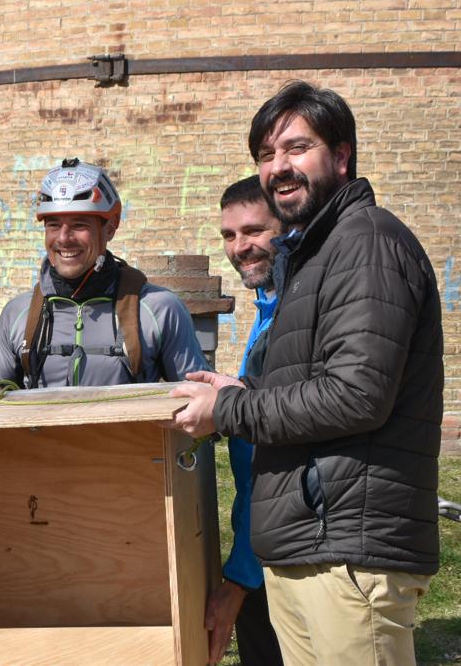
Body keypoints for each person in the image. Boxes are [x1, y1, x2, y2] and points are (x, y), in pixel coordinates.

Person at [170, 81, 443, 665]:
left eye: (297, 148)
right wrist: (247, 390)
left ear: (341, 156)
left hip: (348, 553)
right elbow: (319, 382)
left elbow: (356, 396)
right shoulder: (316, 256)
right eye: (266, 156)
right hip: (307, 548)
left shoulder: (366, 241)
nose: (279, 167)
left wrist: (230, 409)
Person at [0, 157, 207, 389]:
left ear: (110, 228)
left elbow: (198, 402)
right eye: (53, 225)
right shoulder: (17, 314)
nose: (64, 238)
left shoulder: (159, 308)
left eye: (79, 225)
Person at [204, 175, 284, 666]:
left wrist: (240, 577)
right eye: (229, 236)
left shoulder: (292, 314)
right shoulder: (267, 308)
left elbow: (273, 465)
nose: (240, 247)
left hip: (277, 557)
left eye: (254, 231)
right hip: (262, 551)